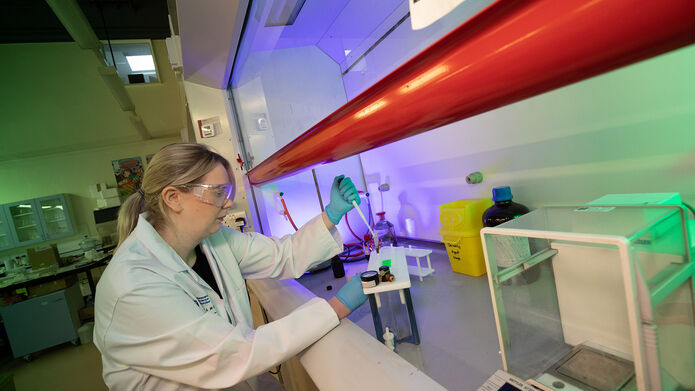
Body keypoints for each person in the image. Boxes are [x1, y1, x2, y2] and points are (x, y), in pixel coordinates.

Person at [94, 143, 368, 391]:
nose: (228, 203)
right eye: (217, 193)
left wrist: (332, 214)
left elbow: (282, 255)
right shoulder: (133, 285)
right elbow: (229, 357)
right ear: (173, 198)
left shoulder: (212, 240)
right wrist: (336, 307)